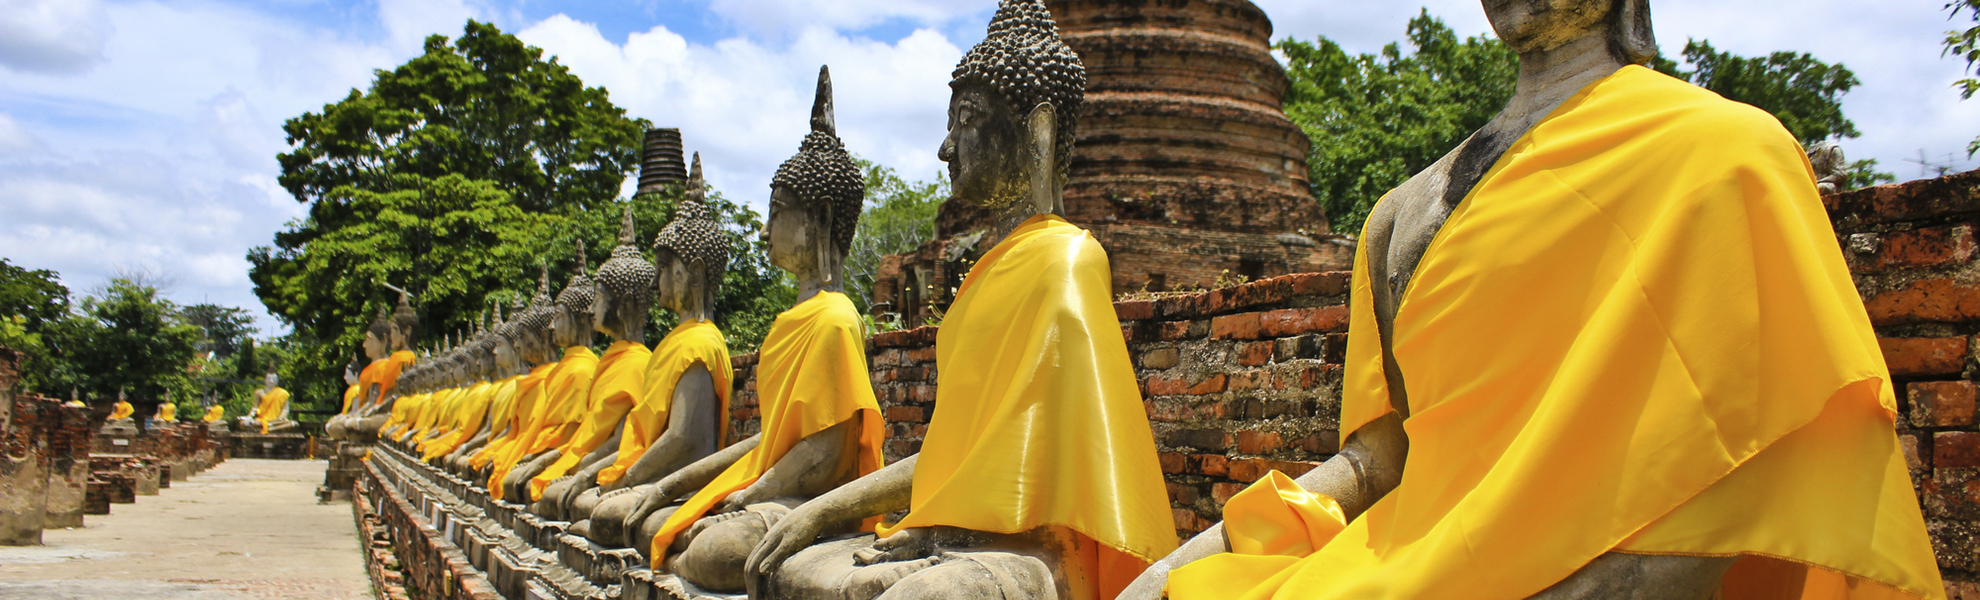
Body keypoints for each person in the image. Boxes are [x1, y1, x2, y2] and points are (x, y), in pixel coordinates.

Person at [1124, 1, 1944, 598]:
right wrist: (1185, 558)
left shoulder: (1727, 158)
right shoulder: (1404, 210)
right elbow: (1385, 463)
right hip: (1398, 564)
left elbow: (1737, 470)